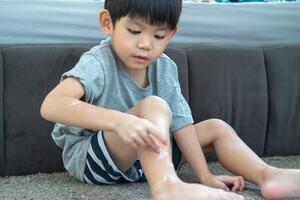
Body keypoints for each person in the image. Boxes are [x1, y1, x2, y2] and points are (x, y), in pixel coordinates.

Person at [40, 0, 300, 199]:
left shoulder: (164, 66)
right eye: (134, 31)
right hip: (94, 160)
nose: (145, 44)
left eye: (158, 36)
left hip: (149, 157)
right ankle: (166, 187)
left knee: (216, 127)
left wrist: (204, 176)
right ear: (108, 23)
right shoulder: (98, 62)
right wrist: (119, 122)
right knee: (154, 105)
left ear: (171, 35)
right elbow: (51, 105)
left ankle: (268, 176)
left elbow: (181, 123)